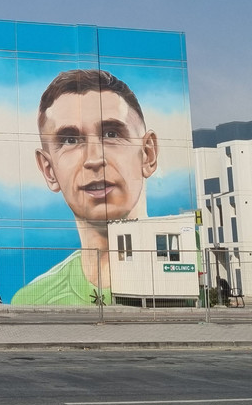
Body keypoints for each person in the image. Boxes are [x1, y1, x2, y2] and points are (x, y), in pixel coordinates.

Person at [11, 69, 159, 306]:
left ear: (148, 154)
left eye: (111, 134)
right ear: (49, 170)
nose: (94, 159)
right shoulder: (32, 301)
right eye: (70, 140)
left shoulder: (197, 269)